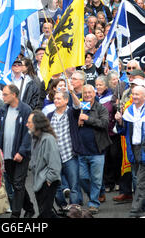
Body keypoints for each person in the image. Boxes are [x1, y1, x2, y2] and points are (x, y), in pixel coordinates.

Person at [0, 84, 35, 218]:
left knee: (18, 183)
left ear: (14, 95)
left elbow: (29, 133)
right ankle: (29, 208)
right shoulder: (3, 110)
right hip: (6, 153)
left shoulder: (25, 110)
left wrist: (22, 152)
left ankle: (16, 214)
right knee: (15, 183)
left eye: (6, 94)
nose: (3, 97)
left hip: (20, 154)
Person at [75, 84, 112, 214]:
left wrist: (88, 119)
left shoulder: (101, 108)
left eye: (90, 92)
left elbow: (104, 124)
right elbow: (72, 125)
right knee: (83, 178)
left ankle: (93, 203)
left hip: (97, 151)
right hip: (82, 150)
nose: (87, 95)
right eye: (85, 93)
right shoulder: (80, 108)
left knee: (96, 179)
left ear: (94, 93)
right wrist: (77, 123)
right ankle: (99, 192)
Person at [48, 88, 83, 209]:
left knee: (74, 185)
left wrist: (72, 92)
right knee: (56, 185)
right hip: (55, 157)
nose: (56, 100)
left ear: (66, 100)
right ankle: (62, 206)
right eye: (55, 98)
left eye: (59, 98)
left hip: (69, 155)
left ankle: (74, 208)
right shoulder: (49, 116)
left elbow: (78, 106)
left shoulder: (71, 113)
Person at [115, 85, 145, 218]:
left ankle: (135, 210)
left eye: (138, 94)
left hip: (144, 149)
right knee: (137, 179)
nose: (135, 96)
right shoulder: (129, 111)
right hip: (133, 149)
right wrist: (120, 121)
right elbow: (122, 131)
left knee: (140, 181)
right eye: (133, 94)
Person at [27, 110, 61, 218]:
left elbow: (55, 163)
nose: (26, 124)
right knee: (47, 213)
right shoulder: (34, 138)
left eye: (29, 122)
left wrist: (49, 180)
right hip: (39, 181)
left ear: (37, 124)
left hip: (47, 182)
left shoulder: (48, 139)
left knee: (44, 214)